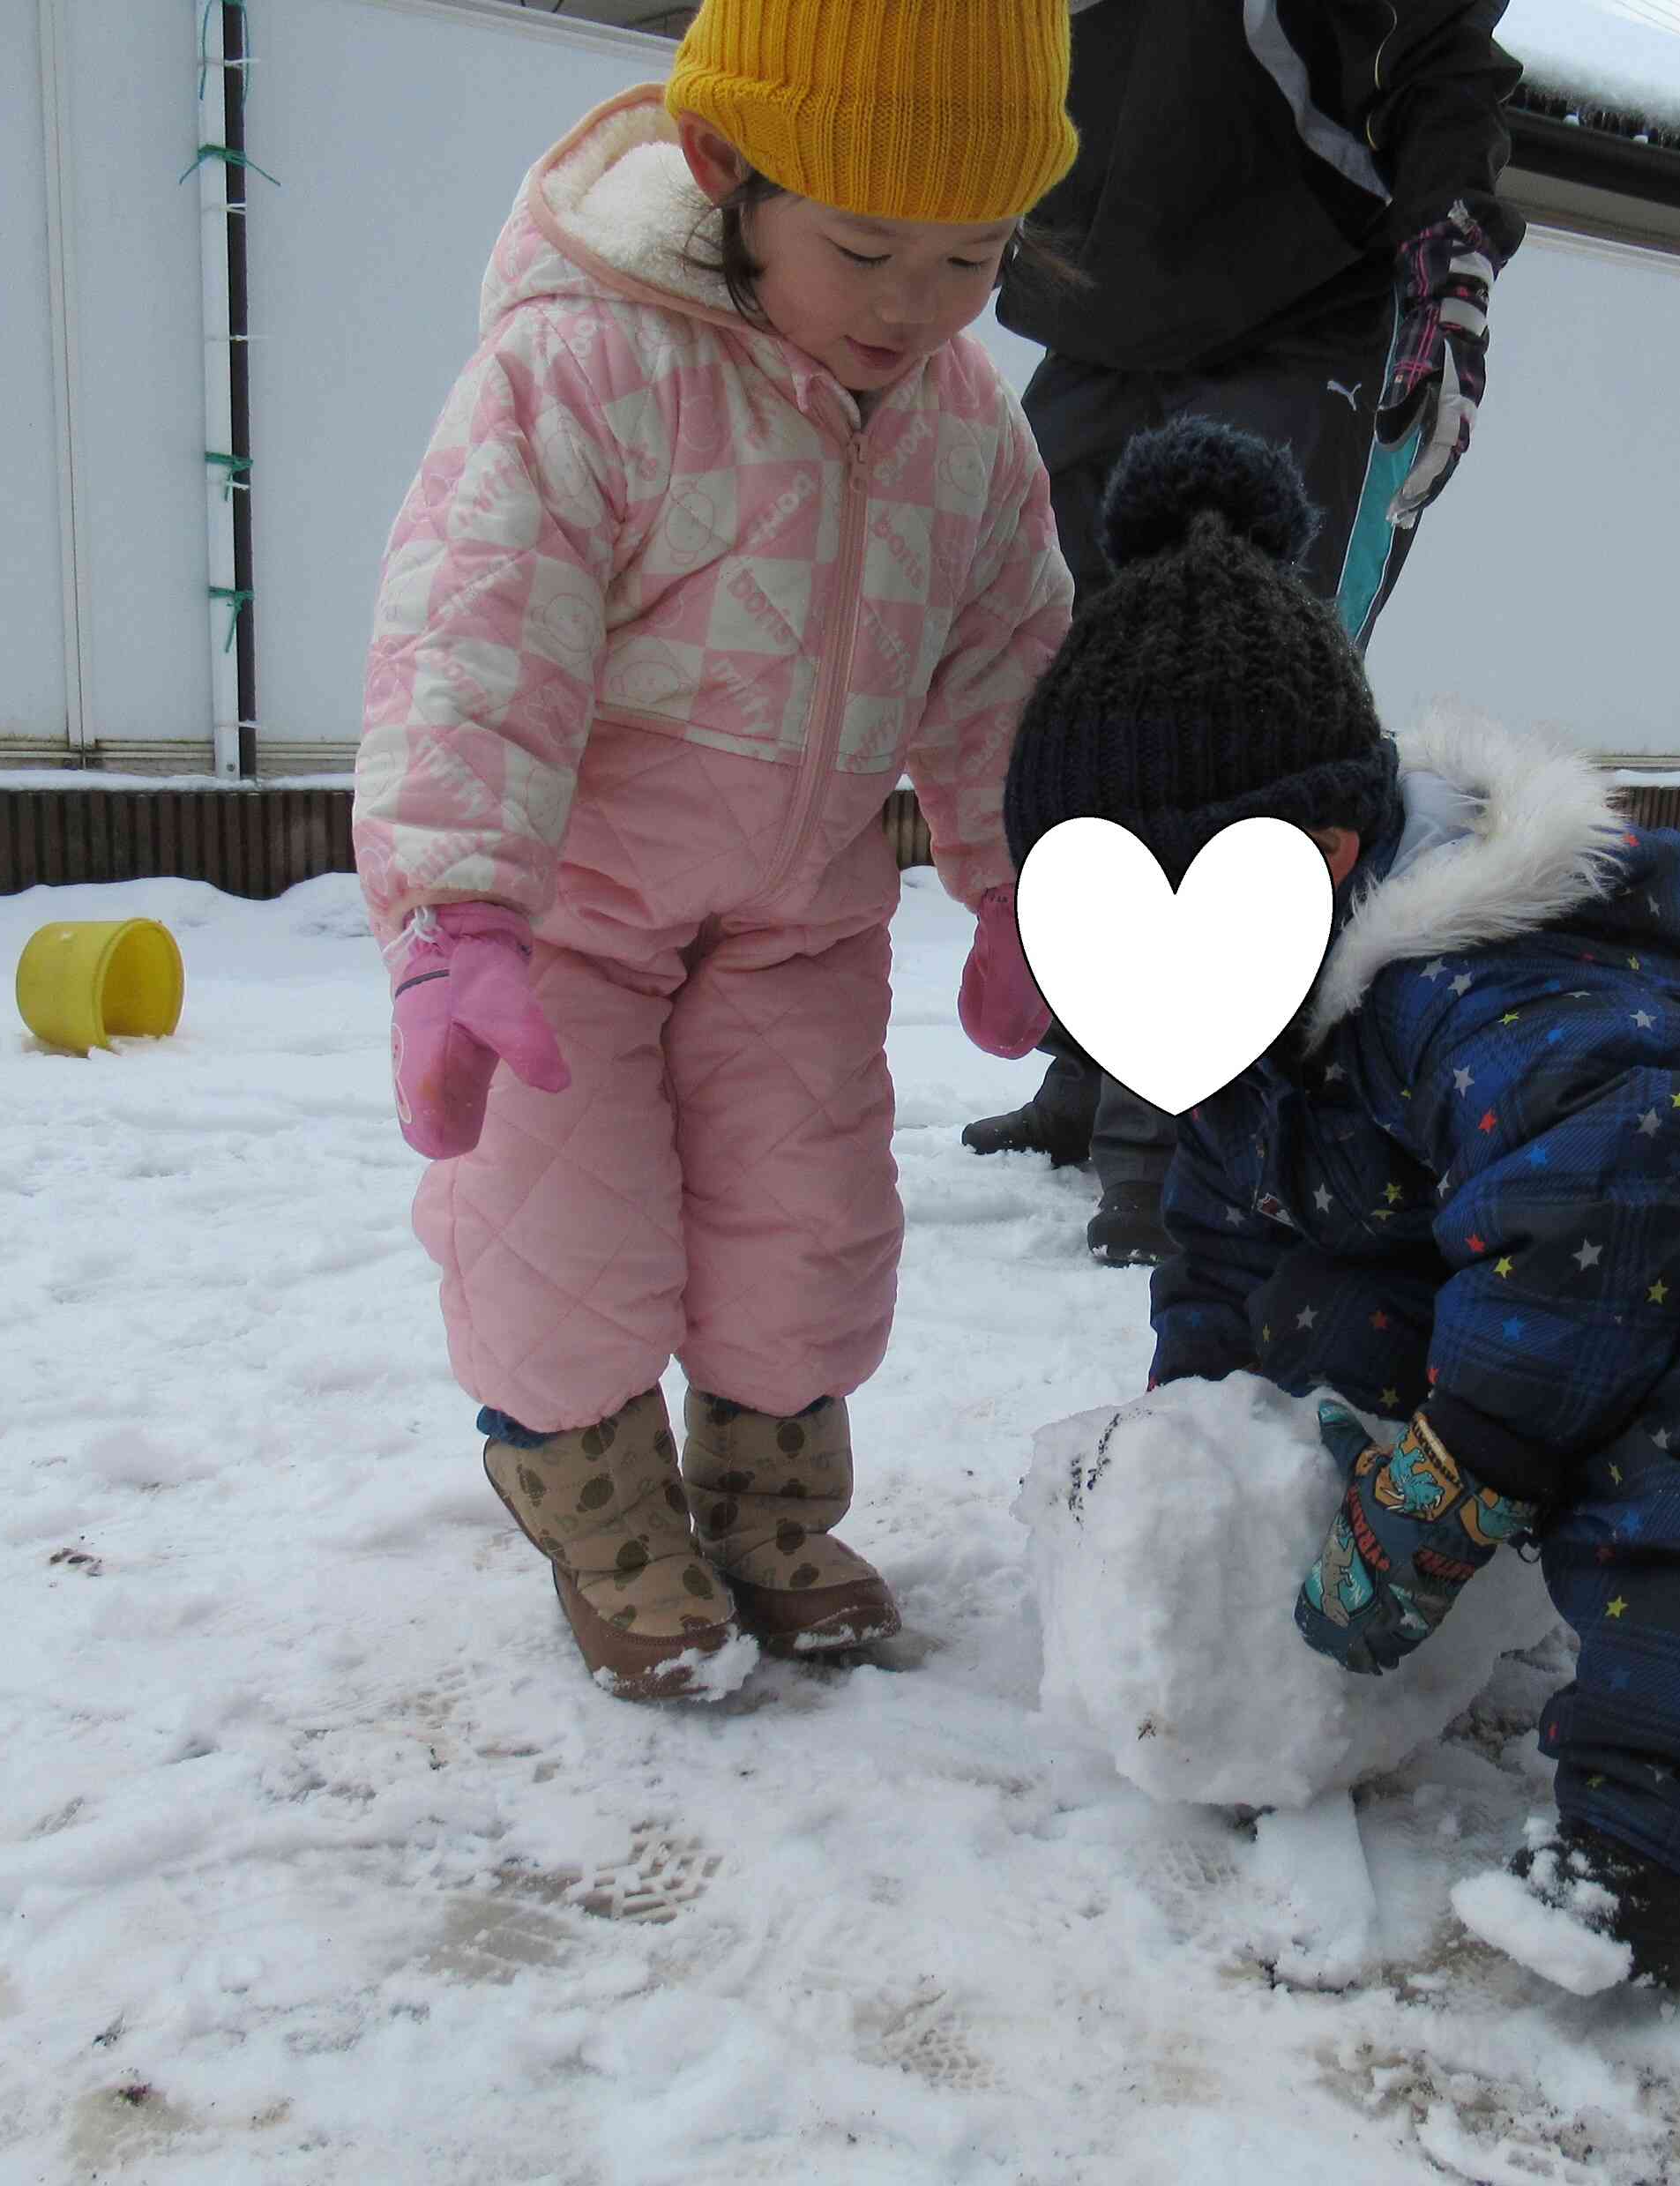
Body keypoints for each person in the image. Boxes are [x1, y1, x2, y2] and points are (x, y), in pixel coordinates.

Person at [999, 422, 1680, 1991]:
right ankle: (1456, 1537)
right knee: (1333, 1317)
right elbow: (1230, 1235)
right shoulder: (1250, 1005)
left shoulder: (1493, 991)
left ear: (1320, 853)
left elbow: (1592, 1228)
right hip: (1507, 1225)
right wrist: (1209, 1424)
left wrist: (1461, 1466)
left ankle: (1678, 1832)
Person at [353, 0, 1072, 1703]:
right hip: (566, 925)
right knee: (563, 1223)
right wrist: (459, 912)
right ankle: (600, 1513)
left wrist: (1011, 876)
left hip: (800, 911)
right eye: (869, 249)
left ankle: (767, 1511)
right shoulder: (583, 367)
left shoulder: (965, 422)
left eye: (974, 256)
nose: (919, 303)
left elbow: (1005, 660)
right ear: (723, 171)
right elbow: (473, 637)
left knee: (806, 1222)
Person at [962, 0, 1529, 1270]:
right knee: (1070, 695)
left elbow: (1438, 47)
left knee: (1237, 710)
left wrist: (1449, 240)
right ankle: (1085, 1061)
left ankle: (1178, 1134)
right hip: (1089, 288)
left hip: (1303, 287)